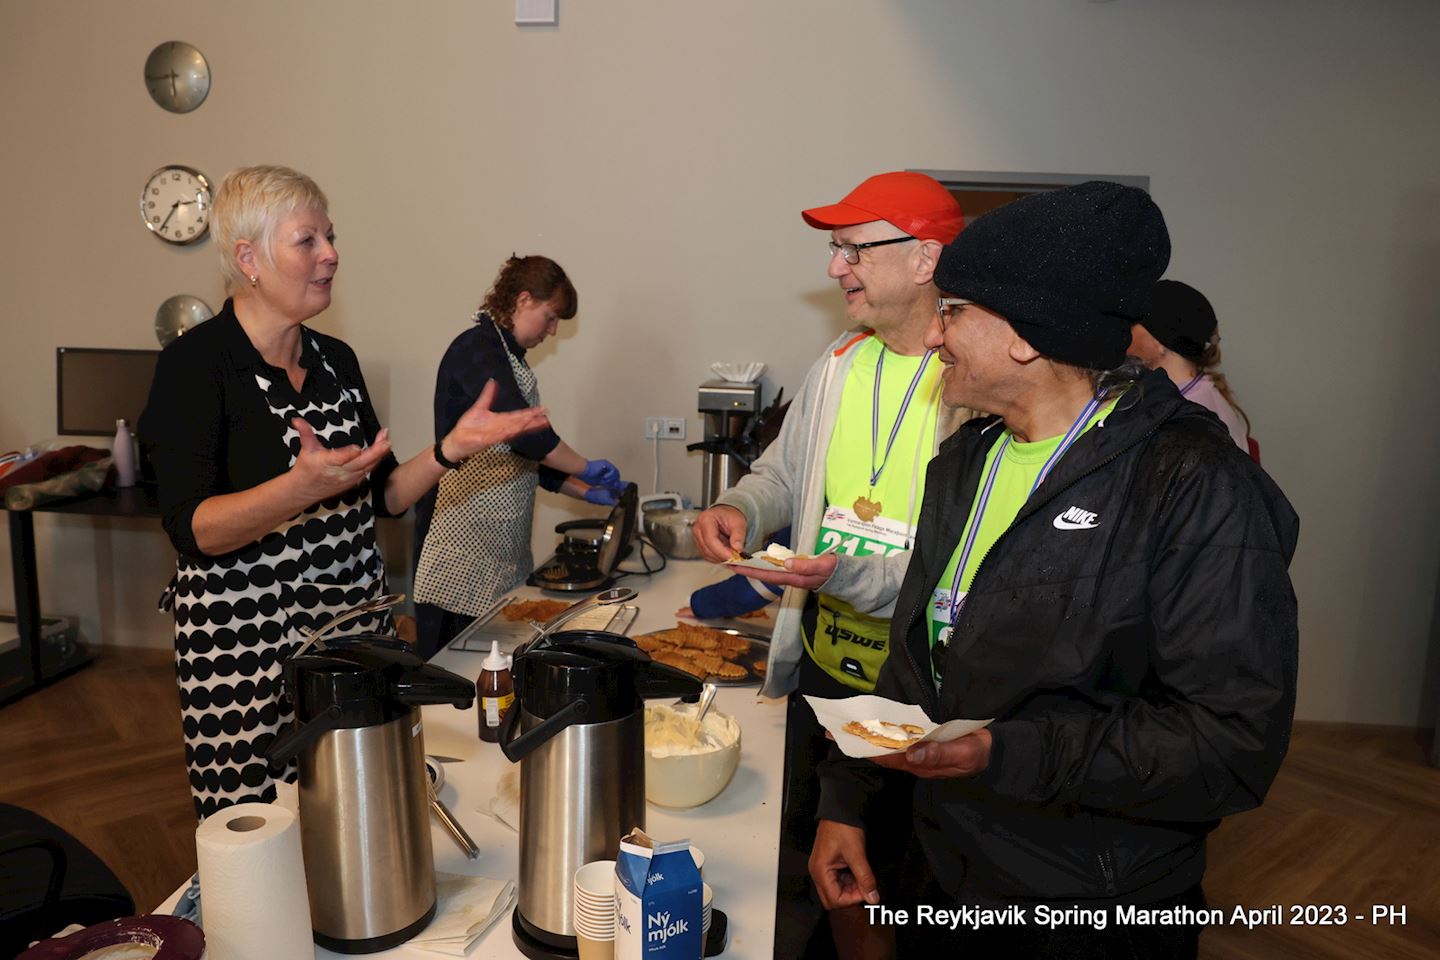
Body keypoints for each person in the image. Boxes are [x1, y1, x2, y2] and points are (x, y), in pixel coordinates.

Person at [807, 181, 1299, 958]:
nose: (934, 336)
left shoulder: (1194, 486)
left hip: (1088, 905)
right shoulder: (964, 461)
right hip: (942, 868)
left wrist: (1007, 751)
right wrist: (848, 800)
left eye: (954, 311)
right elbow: (919, 660)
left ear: (1028, 336)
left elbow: (1230, 742)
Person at [139, 165, 550, 819]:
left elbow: (382, 497)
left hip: (354, 635)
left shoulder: (336, 362)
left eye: (330, 237)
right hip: (245, 649)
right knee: (259, 829)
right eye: (308, 241)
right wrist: (297, 488)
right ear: (249, 258)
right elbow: (194, 529)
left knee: (368, 809)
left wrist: (451, 449)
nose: (331, 254)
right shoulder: (195, 366)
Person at [691, 171, 973, 958]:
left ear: (924, 259)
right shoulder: (840, 363)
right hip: (826, 673)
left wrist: (838, 574)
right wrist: (738, 509)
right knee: (830, 877)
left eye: (852, 248)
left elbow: (955, 576)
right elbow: (783, 476)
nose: (834, 266)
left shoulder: (976, 384)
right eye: (835, 247)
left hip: (923, 693)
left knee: (911, 890)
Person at [411, 255, 625, 657]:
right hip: (459, 546)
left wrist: (585, 490)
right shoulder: (476, 349)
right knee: (453, 670)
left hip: (500, 548)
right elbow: (528, 437)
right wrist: (584, 466)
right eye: (549, 317)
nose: (553, 331)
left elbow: (520, 462)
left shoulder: (512, 361)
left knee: (494, 671)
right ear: (523, 300)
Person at [1129, 278, 1251, 450]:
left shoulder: (1193, 417)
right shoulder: (1178, 398)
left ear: (1160, 341)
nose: (1126, 332)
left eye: (1133, 324)